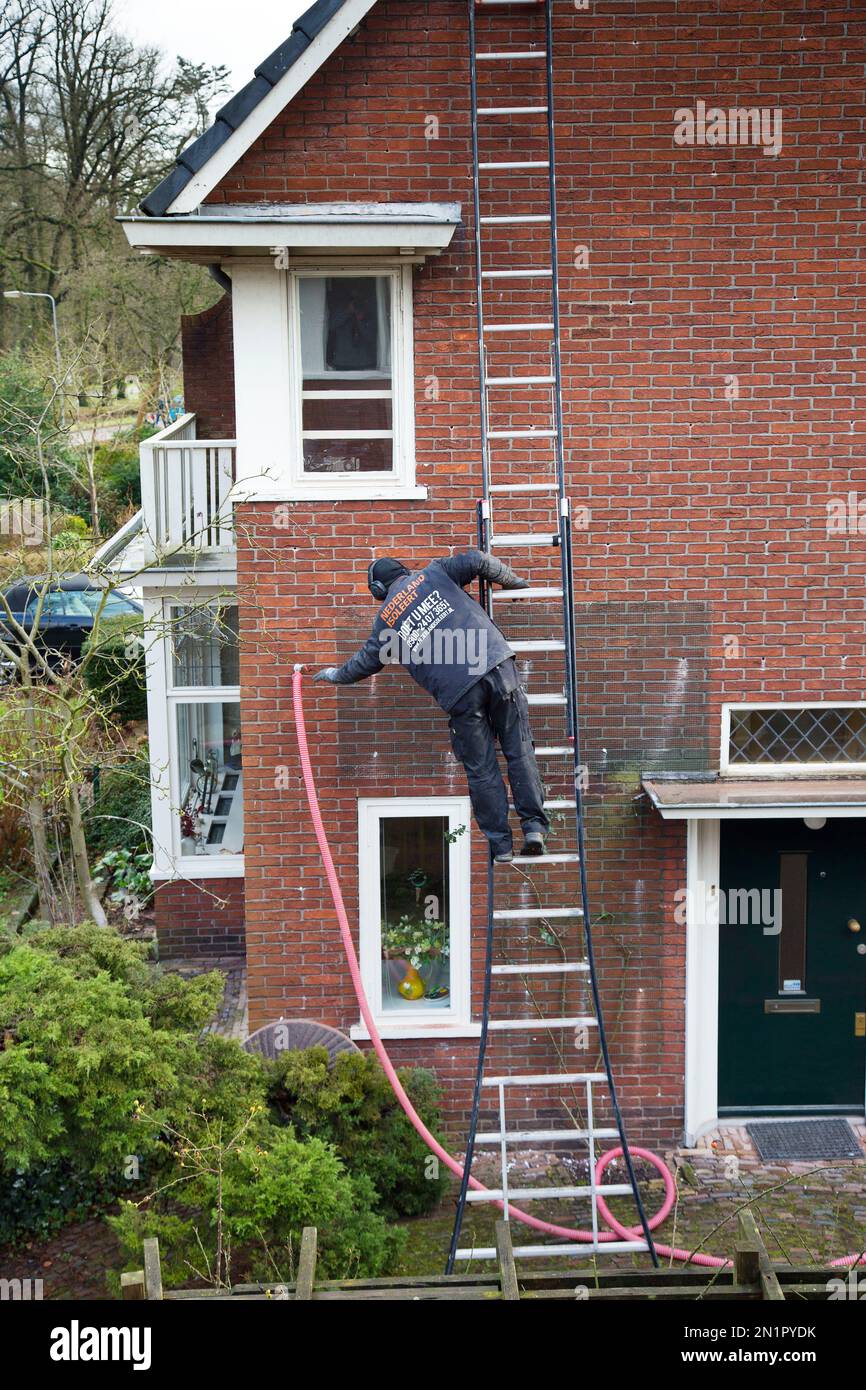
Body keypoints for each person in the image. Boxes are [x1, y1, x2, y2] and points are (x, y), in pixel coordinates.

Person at [314, 552, 550, 863]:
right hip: (495, 666)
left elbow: (360, 666)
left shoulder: (386, 620)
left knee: (482, 770)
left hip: (460, 694)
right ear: (404, 571)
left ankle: (501, 845)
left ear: (377, 590)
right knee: (518, 750)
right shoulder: (436, 572)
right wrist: (514, 582)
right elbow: (478, 559)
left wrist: (331, 674)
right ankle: (533, 827)